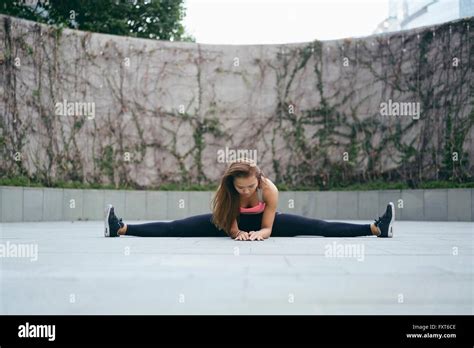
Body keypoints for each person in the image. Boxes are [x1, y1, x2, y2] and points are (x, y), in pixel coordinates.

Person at [104, 158, 394, 239]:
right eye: (240, 188)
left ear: (258, 180)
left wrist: (262, 233)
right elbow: (228, 220)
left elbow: (268, 225)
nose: (245, 191)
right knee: (175, 227)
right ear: (232, 184)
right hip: (228, 223)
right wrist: (236, 232)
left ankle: (376, 228)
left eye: (250, 187)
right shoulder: (229, 192)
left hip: (265, 223)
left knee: (318, 226)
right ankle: (120, 228)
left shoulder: (269, 189)